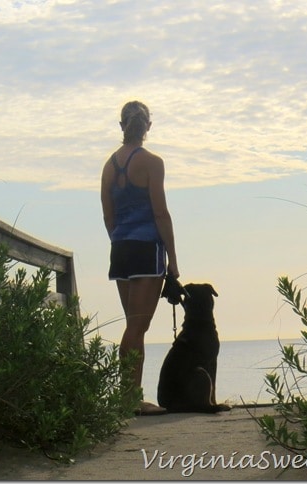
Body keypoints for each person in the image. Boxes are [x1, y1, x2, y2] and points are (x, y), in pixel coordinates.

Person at [101, 100, 179, 415]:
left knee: (134, 326)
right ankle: (129, 400)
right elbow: (160, 212)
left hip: (120, 248)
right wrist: (173, 258)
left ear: (122, 126)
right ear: (147, 127)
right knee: (137, 327)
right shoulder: (152, 163)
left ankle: (129, 396)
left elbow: (108, 216)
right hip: (147, 249)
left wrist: (120, 240)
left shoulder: (109, 165)